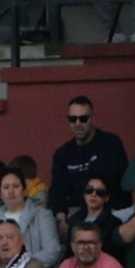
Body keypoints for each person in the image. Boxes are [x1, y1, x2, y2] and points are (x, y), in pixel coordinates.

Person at [50, 97, 129, 226]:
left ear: (93, 119)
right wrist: (61, 221)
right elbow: (58, 192)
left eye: (83, 119)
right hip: (76, 214)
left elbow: (112, 183)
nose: (77, 123)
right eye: (72, 119)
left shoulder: (110, 143)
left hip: (112, 212)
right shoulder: (62, 154)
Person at [48, 222, 128, 268]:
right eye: (81, 243)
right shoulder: (66, 265)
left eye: (91, 242)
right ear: (72, 246)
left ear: (100, 245)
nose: (86, 247)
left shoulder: (111, 266)